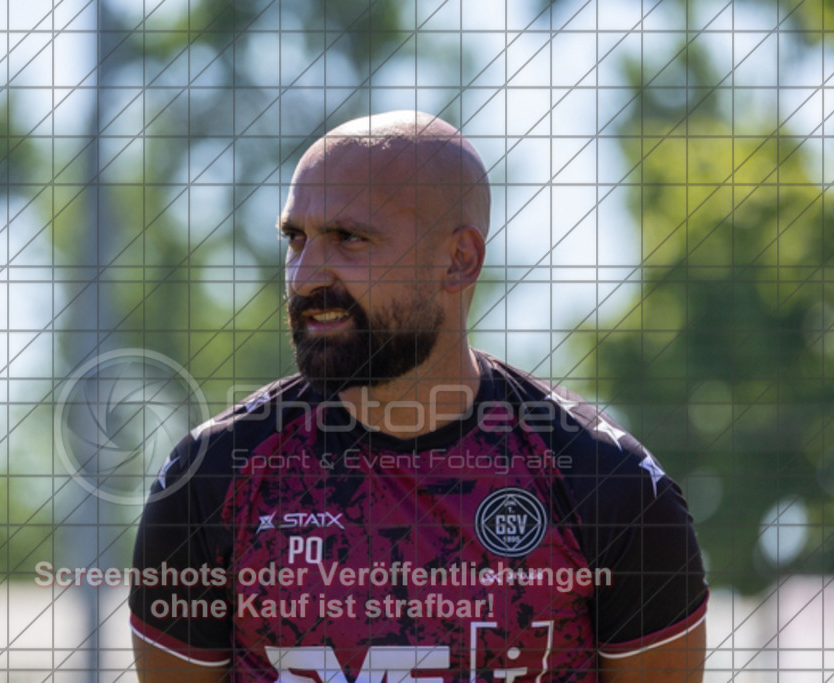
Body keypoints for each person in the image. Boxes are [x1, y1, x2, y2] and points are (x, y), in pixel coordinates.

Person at [129, 111, 709, 682]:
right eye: (296, 239)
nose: (305, 276)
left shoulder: (607, 483)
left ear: (460, 260)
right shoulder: (210, 478)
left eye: (349, 238)